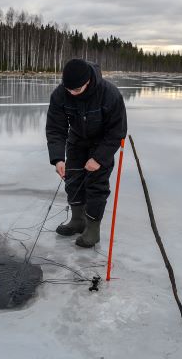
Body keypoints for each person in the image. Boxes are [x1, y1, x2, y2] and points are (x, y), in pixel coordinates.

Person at [46, 58, 127, 248]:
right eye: (69, 90)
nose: (72, 93)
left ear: (87, 81)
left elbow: (117, 131)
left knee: (96, 185)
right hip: (76, 141)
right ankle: (77, 221)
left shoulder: (110, 94)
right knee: (72, 179)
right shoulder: (60, 94)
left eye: (76, 90)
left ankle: (92, 230)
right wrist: (58, 158)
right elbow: (55, 128)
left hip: (102, 143)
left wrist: (99, 158)